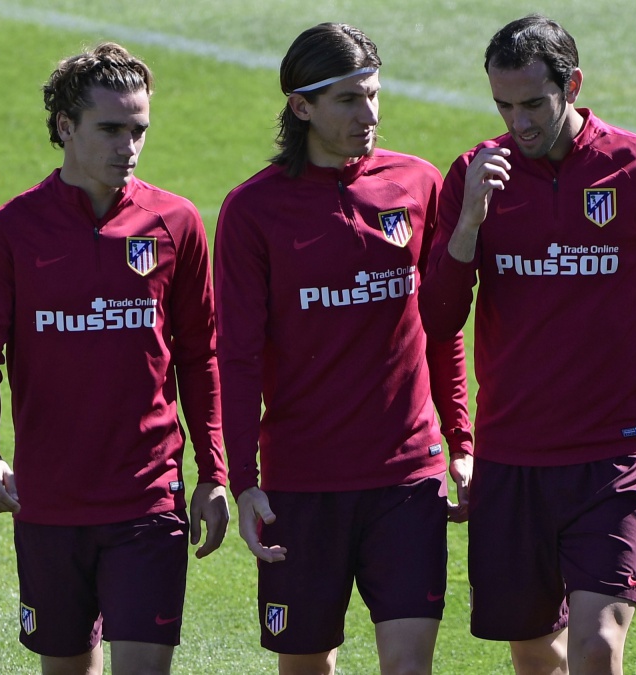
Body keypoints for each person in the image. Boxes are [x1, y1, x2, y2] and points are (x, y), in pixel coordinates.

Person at [419, 15, 636, 675]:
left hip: (612, 458)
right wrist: (468, 223)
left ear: (571, 85)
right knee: (534, 652)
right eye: (503, 105)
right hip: (511, 458)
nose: (517, 122)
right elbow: (439, 319)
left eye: (533, 104)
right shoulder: (473, 175)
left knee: (599, 644)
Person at [0, 42, 229, 675]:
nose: (127, 147)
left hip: (148, 499)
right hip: (50, 502)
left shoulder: (177, 224)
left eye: (138, 130)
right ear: (65, 127)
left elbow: (200, 354)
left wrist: (214, 471)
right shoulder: (10, 231)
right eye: (110, 129)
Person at [214, 23, 473, 675]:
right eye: (350, 100)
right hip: (302, 486)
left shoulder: (416, 184)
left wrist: (461, 442)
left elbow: (440, 327)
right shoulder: (252, 211)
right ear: (302, 107)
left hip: (406, 479)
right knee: (306, 665)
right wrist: (242, 480)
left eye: (375, 95)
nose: (370, 114)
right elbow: (236, 356)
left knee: (409, 666)